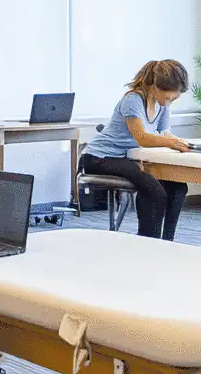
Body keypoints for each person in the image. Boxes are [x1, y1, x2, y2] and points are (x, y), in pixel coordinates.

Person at [80, 60, 193, 241]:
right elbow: (142, 137)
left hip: (127, 157)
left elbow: (165, 133)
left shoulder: (162, 106)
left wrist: (179, 142)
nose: (169, 102)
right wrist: (171, 143)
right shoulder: (133, 100)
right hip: (99, 157)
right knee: (155, 192)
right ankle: (146, 242)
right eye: (169, 98)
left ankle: (168, 242)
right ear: (156, 87)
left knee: (178, 187)